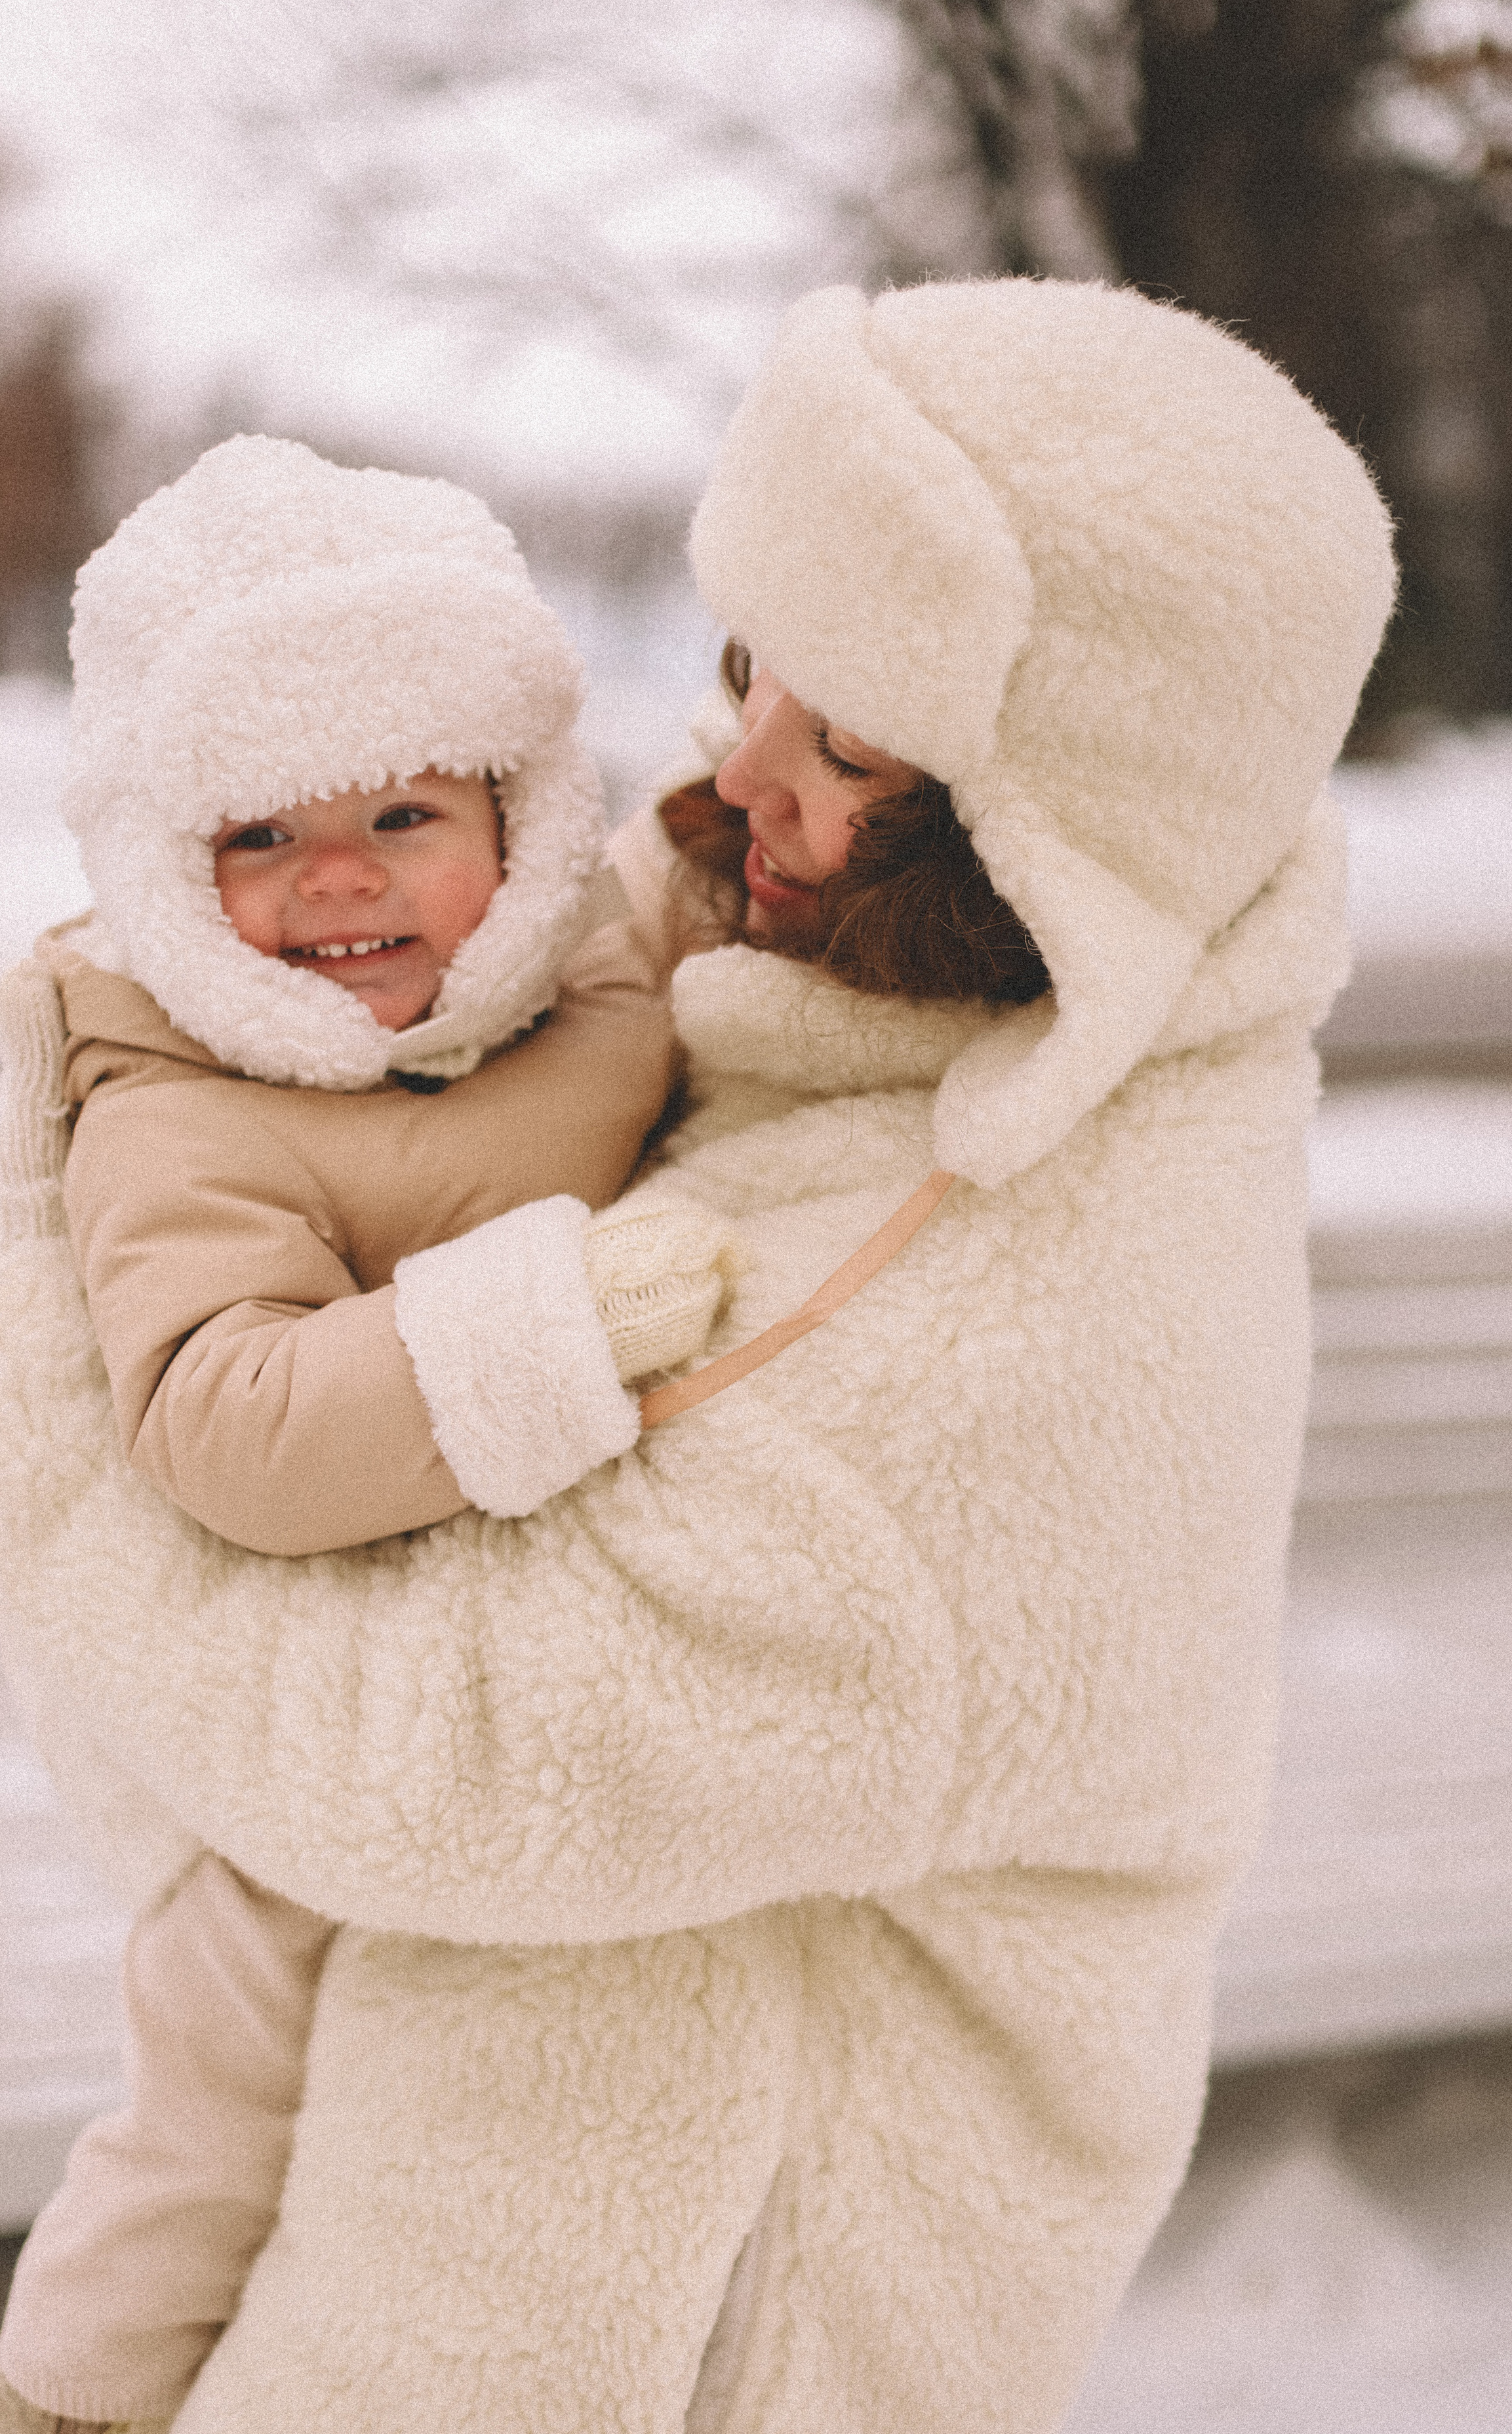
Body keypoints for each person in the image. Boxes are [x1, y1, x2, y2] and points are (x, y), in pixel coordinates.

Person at [0, 278, 1395, 2434]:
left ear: (1065, 818)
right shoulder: (853, 936)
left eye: (844, 738)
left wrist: (52, 1347)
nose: (732, 768)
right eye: (749, 665)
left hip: (679, 2333)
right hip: (473, 2210)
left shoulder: (1004, 1332)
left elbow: (393, 1761)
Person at [0, 434, 738, 2434]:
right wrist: (538, 1331)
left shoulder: (606, 974)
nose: (336, 879)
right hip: (305, 1756)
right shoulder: (176, 1100)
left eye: (405, 809)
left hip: (584, 1690)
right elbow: (220, 1416)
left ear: (521, 808)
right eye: (257, 833)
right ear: (170, 870)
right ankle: (77, 2392)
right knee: (216, 2105)